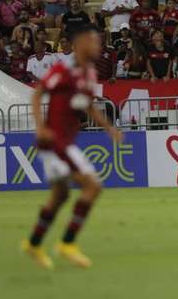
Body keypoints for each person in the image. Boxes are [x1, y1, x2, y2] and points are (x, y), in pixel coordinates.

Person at [21, 25, 122, 270]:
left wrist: (109, 127)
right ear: (79, 45)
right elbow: (37, 95)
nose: (98, 46)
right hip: (55, 140)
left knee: (61, 196)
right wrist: (40, 127)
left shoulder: (88, 73)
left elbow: (87, 105)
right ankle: (67, 243)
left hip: (64, 141)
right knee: (93, 186)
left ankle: (33, 244)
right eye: (94, 42)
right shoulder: (62, 69)